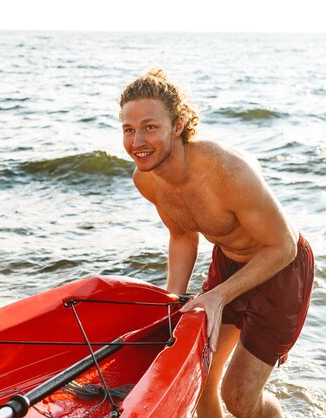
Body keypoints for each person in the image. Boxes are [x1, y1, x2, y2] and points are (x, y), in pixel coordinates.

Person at [118, 69, 315, 418]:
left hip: (282, 269)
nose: (138, 142)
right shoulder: (147, 179)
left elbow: (283, 245)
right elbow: (182, 235)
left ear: (177, 125)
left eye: (150, 127)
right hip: (228, 262)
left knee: (238, 397)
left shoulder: (225, 169)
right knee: (198, 379)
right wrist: (171, 302)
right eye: (129, 130)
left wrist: (219, 296)